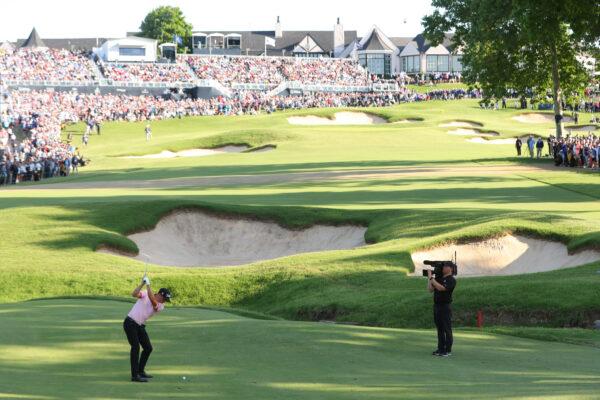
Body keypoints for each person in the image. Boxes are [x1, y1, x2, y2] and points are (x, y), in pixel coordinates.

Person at [123, 276, 171, 382]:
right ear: (159, 294)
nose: (164, 301)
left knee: (148, 348)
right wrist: (142, 284)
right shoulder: (145, 293)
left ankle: (140, 371)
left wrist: (148, 284)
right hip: (130, 323)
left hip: (139, 326)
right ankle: (135, 375)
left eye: (166, 300)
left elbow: (152, 300)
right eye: (164, 299)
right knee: (135, 347)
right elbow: (134, 294)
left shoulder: (160, 305)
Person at [428, 264, 457, 357]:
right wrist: (430, 279)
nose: (443, 268)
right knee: (439, 329)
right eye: (443, 266)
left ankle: (447, 350)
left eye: (445, 266)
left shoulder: (451, 280)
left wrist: (431, 279)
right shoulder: (439, 279)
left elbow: (441, 288)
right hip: (437, 306)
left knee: (446, 328)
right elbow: (430, 289)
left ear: (450, 268)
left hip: (445, 306)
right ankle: (440, 348)